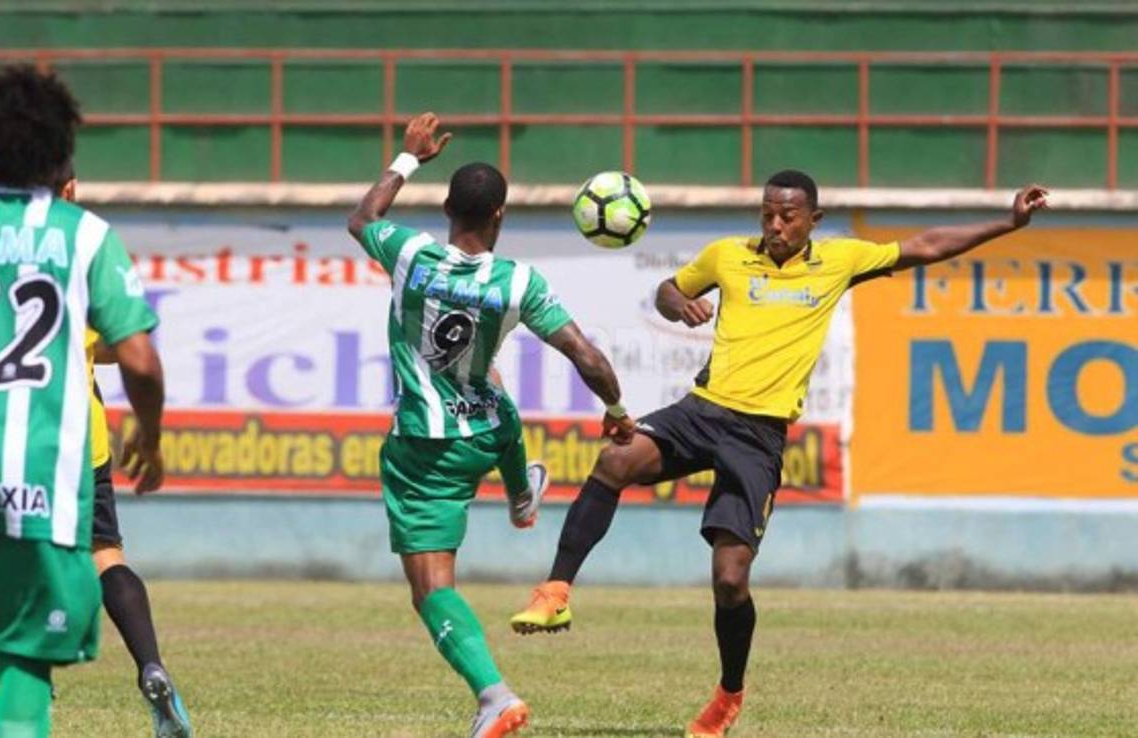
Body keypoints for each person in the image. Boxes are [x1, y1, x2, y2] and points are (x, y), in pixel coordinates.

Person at [511, 169, 1049, 737]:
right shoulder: (729, 255)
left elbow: (925, 245)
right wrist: (679, 305)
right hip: (702, 409)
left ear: (812, 220)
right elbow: (669, 290)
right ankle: (556, 590)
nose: (774, 225)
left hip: (757, 435)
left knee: (729, 581)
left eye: (787, 216)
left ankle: (727, 694)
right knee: (616, 460)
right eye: (767, 214)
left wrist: (1008, 224)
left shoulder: (839, 262)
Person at [346, 112, 634, 738]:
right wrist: (615, 411)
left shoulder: (410, 254)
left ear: (448, 208)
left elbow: (361, 219)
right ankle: (521, 492)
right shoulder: (519, 282)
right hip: (484, 435)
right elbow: (586, 354)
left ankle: (494, 696)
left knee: (431, 591)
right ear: (499, 216)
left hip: (425, 447)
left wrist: (407, 160)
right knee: (494, 390)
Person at [0, 65, 166, 738]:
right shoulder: (83, 235)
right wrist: (151, 432)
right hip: (42, 462)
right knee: (29, 649)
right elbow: (138, 356)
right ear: (61, 151)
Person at [55, 172, 193, 738]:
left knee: (11, 561)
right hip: (79, 440)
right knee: (106, 555)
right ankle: (151, 665)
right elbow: (124, 347)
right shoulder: (86, 243)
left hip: (4, 436)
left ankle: (19, 675)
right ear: (69, 185)